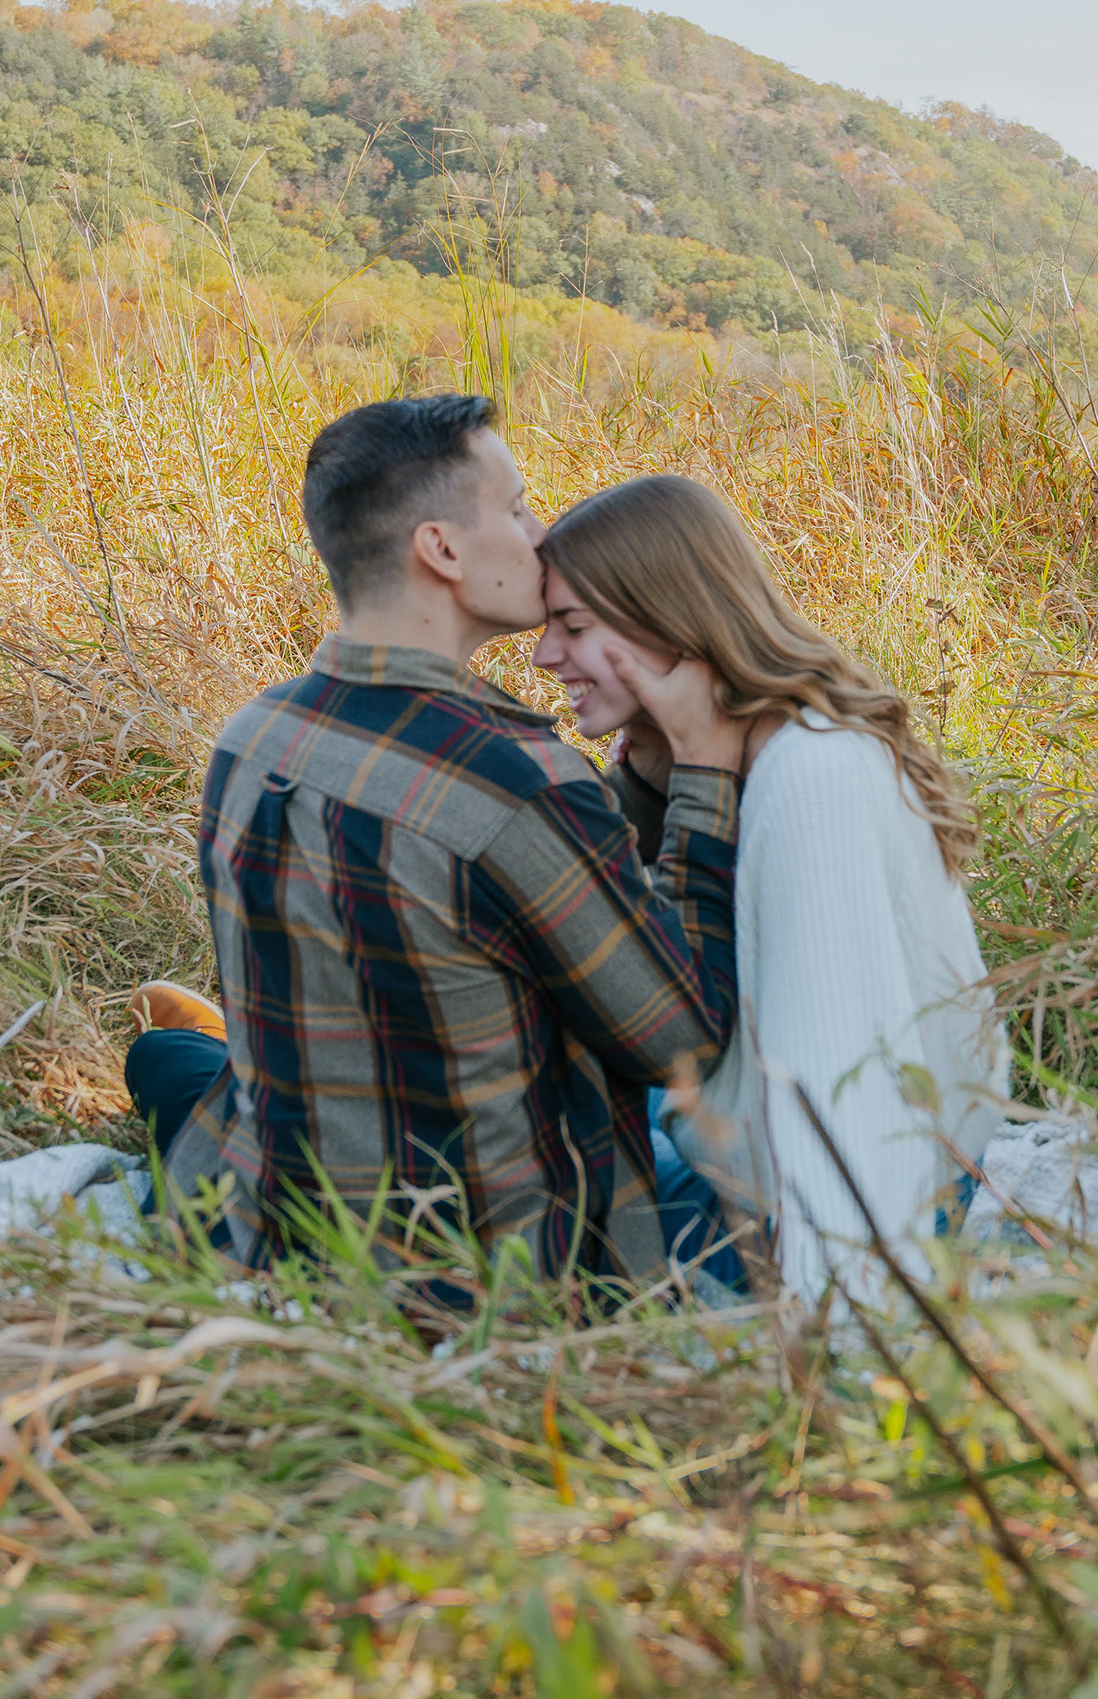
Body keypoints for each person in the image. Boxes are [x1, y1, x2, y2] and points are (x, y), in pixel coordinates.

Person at [129, 394, 746, 1296]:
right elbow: (682, 1044)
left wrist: (634, 783)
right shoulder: (516, 779)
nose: (539, 536)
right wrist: (703, 772)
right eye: (518, 508)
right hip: (490, 1283)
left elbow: (520, 866)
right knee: (707, 1161)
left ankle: (208, 1055)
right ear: (443, 550)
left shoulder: (252, 736)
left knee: (170, 1066)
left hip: (274, 1224)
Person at [533, 474, 1007, 1304]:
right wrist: (658, 775)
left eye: (573, 627)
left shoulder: (810, 776)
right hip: (776, 1178)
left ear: (668, 621)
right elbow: (664, 957)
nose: (544, 655)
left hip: (839, 1233)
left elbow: (841, 1100)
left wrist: (840, 1327)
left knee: (520, 1219)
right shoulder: (746, 751)